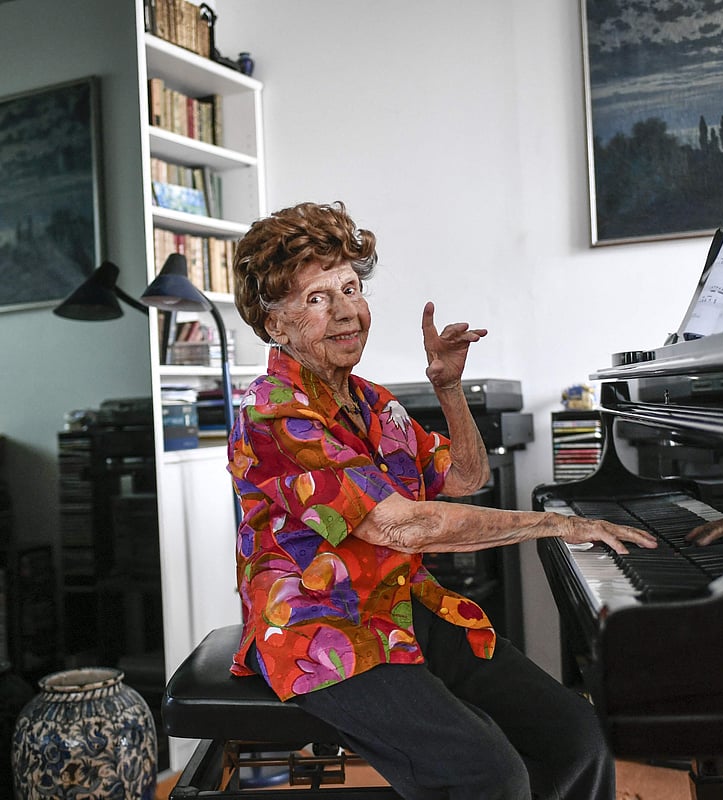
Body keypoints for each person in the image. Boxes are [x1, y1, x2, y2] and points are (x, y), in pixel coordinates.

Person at [225, 201, 656, 799]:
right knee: (487, 771)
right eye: (319, 298)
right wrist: (554, 524)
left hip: (398, 605)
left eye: (350, 287)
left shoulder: (370, 402)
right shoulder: (272, 412)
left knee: (575, 733)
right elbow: (402, 528)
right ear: (276, 325)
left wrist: (449, 388)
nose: (348, 311)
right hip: (317, 626)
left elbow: (464, 477)